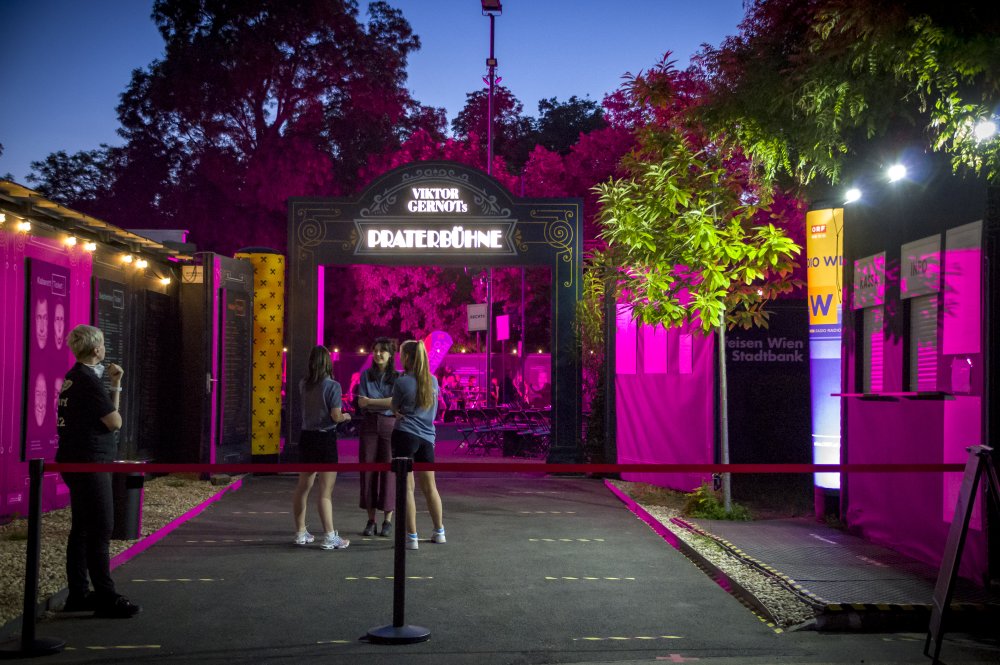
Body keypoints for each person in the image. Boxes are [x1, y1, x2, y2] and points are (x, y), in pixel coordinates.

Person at [56, 324, 140, 618]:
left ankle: (78, 594)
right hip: (90, 462)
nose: (105, 348)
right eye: (102, 343)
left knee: (82, 528)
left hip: (79, 460)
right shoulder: (87, 381)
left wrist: (115, 385)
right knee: (102, 528)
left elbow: (107, 417)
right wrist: (111, 390)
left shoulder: (75, 377)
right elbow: (115, 422)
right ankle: (106, 596)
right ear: (96, 349)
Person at [292, 345, 351, 550]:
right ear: (328, 363)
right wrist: (346, 416)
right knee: (325, 492)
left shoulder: (303, 384)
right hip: (325, 439)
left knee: (303, 488)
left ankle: (300, 532)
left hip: (307, 437)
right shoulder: (333, 386)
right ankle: (329, 536)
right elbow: (335, 416)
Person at [391, 339, 445, 550]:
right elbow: (435, 410)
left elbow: (394, 407)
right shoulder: (433, 381)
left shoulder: (402, 382)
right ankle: (439, 531)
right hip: (427, 438)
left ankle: (412, 536)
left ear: (407, 357)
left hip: (405, 435)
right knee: (430, 487)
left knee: (407, 488)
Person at [356, 337, 397, 537]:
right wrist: (384, 402)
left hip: (390, 426)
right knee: (368, 471)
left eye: (383, 350)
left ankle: (387, 521)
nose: (378, 354)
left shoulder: (397, 376)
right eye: (375, 350)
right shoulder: (366, 375)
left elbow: (394, 403)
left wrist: (372, 402)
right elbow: (361, 403)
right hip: (369, 425)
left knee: (390, 471)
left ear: (391, 354)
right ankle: (371, 520)